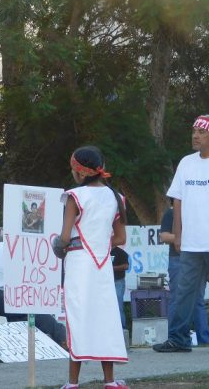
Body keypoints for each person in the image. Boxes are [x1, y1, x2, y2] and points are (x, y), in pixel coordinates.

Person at [153, 114, 209, 355]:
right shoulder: (186, 163)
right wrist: (178, 234)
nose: (195, 135)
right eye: (194, 131)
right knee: (184, 292)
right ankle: (178, 339)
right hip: (191, 243)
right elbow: (177, 200)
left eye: (201, 132)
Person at [56, 146, 128, 389]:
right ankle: (110, 381)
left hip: (78, 263)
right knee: (105, 318)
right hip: (103, 263)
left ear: (80, 171)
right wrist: (98, 242)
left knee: (78, 318)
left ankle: (72, 382)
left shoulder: (74, 196)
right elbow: (120, 239)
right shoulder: (116, 197)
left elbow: (64, 238)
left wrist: (58, 245)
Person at [0, 242, 67, 348]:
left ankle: (23, 342)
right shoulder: (15, 253)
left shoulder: (4, 247)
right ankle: (64, 339)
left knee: (21, 307)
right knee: (31, 308)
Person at [160, 204, 209, 344]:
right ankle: (175, 338)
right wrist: (187, 238)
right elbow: (164, 236)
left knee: (198, 300)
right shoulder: (170, 213)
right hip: (178, 258)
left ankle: (205, 340)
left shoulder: (198, 211)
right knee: (177, 298)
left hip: (199, 259)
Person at [111, 245, 129, 330]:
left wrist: (112, 268)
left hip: (118, 281)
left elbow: (126, 266)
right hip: (106, 283)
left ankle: (122, 328)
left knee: (118, 306)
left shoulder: (121, 252)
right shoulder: (103, 251)